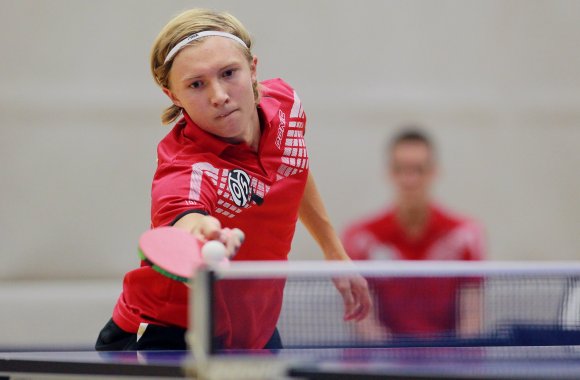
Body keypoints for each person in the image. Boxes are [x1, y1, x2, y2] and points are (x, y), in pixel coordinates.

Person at [95, 8, 370, 351]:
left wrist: (334, 251)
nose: (218, 95)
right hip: (172, 332)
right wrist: (203, 233)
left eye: (228, 73)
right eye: (196, 84)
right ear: (173, 96)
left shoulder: (286, 105)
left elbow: (293, 166)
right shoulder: (185, 168)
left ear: (253, 69)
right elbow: (184, 215)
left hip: (254, 322)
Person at [342, 128, 485, 341]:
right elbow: (365, 319)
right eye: (400, 169)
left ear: (434, 172)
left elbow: (472, 316)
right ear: (389, 173)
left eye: (418, 169)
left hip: (449, 360)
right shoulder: (361, 237)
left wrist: (454, 359)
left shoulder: (465, 235)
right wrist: (393, 361)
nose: (409, 180)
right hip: (384, 363)